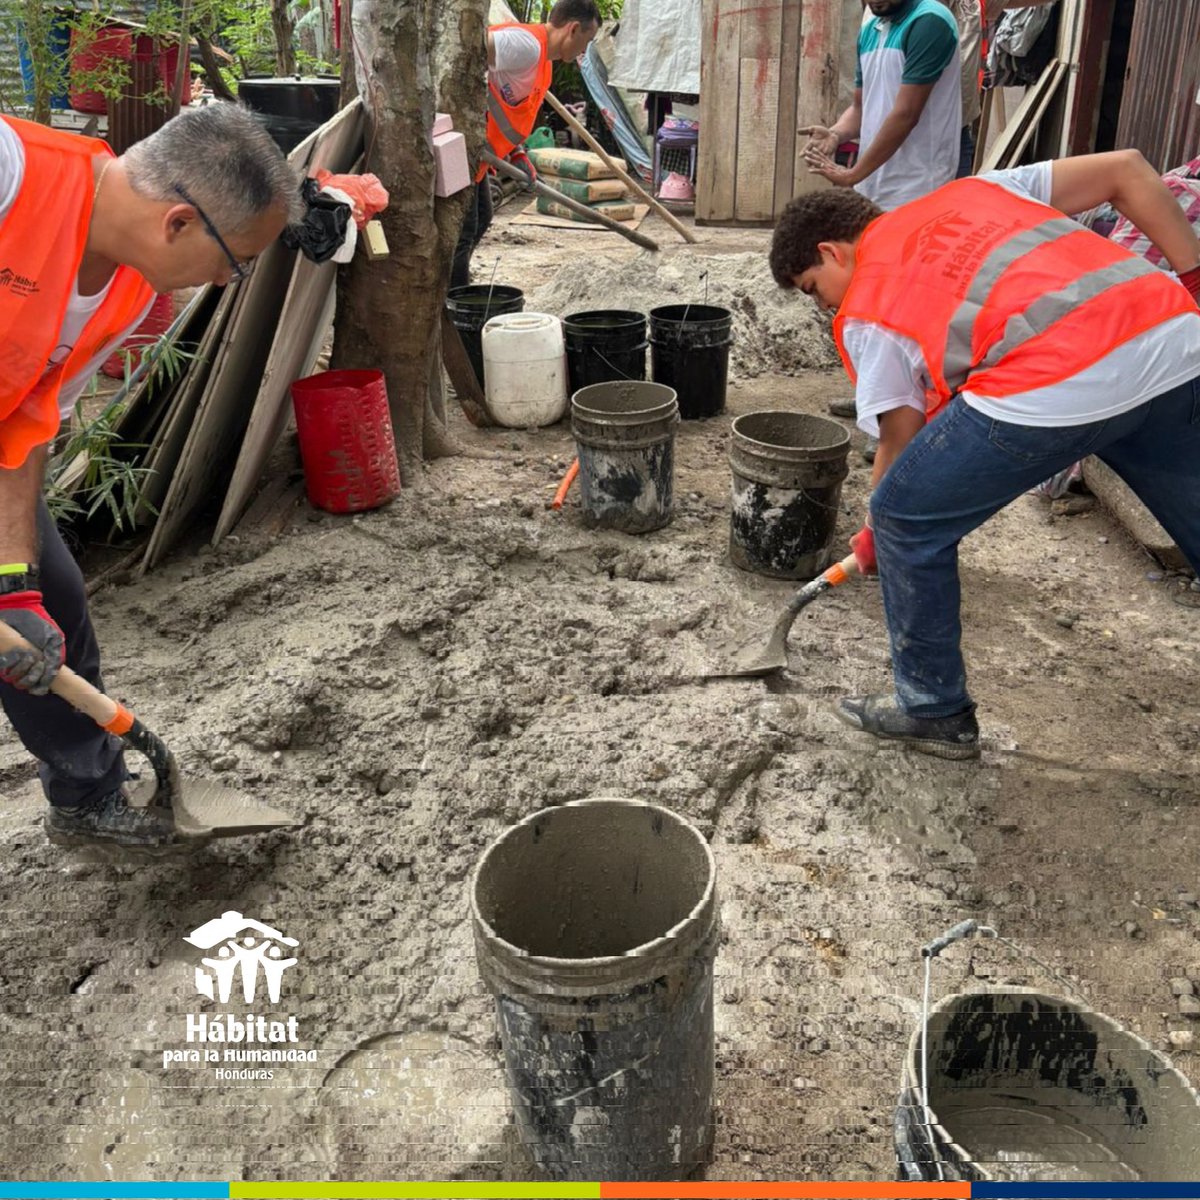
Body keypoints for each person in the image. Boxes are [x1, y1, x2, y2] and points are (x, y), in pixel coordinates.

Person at [769, 150, 1200, 759]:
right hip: (1174, 339)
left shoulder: (869, 304)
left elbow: (900, 433)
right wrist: (1194, 281)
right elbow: (1128, 167)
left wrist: (881, 529)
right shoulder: (977, 191)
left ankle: (933, 709)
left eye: (817, 291)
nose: (829, 308)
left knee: (904, 517)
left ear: (833, 252)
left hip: (1057, 382)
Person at [0, 103, 299, 848]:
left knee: (50, 601)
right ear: (178, 224)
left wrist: (13, 580)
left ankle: (86, 796)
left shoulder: (127, 289)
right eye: (235, 264)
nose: (230, 283)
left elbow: (25, 424)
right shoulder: (11, 173)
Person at [451, 0, 601, 289]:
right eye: (588, 40)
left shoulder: (543, 59)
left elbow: (508, 105)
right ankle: (454, 302)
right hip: (463, 150)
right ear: (572, 29)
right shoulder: (526, 46)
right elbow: (466, 47)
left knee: (481, 217)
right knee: (464, 232)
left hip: (482, 158)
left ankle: (457, 286)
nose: (585, 49)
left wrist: (517, 152)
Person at [800, 0, 962, 212]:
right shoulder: (870, 29)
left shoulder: (929, 21)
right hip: (872, 187)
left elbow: (907, 114)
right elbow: (860, 108)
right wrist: (835, 134)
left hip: (918, 189)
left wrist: (851, 175)